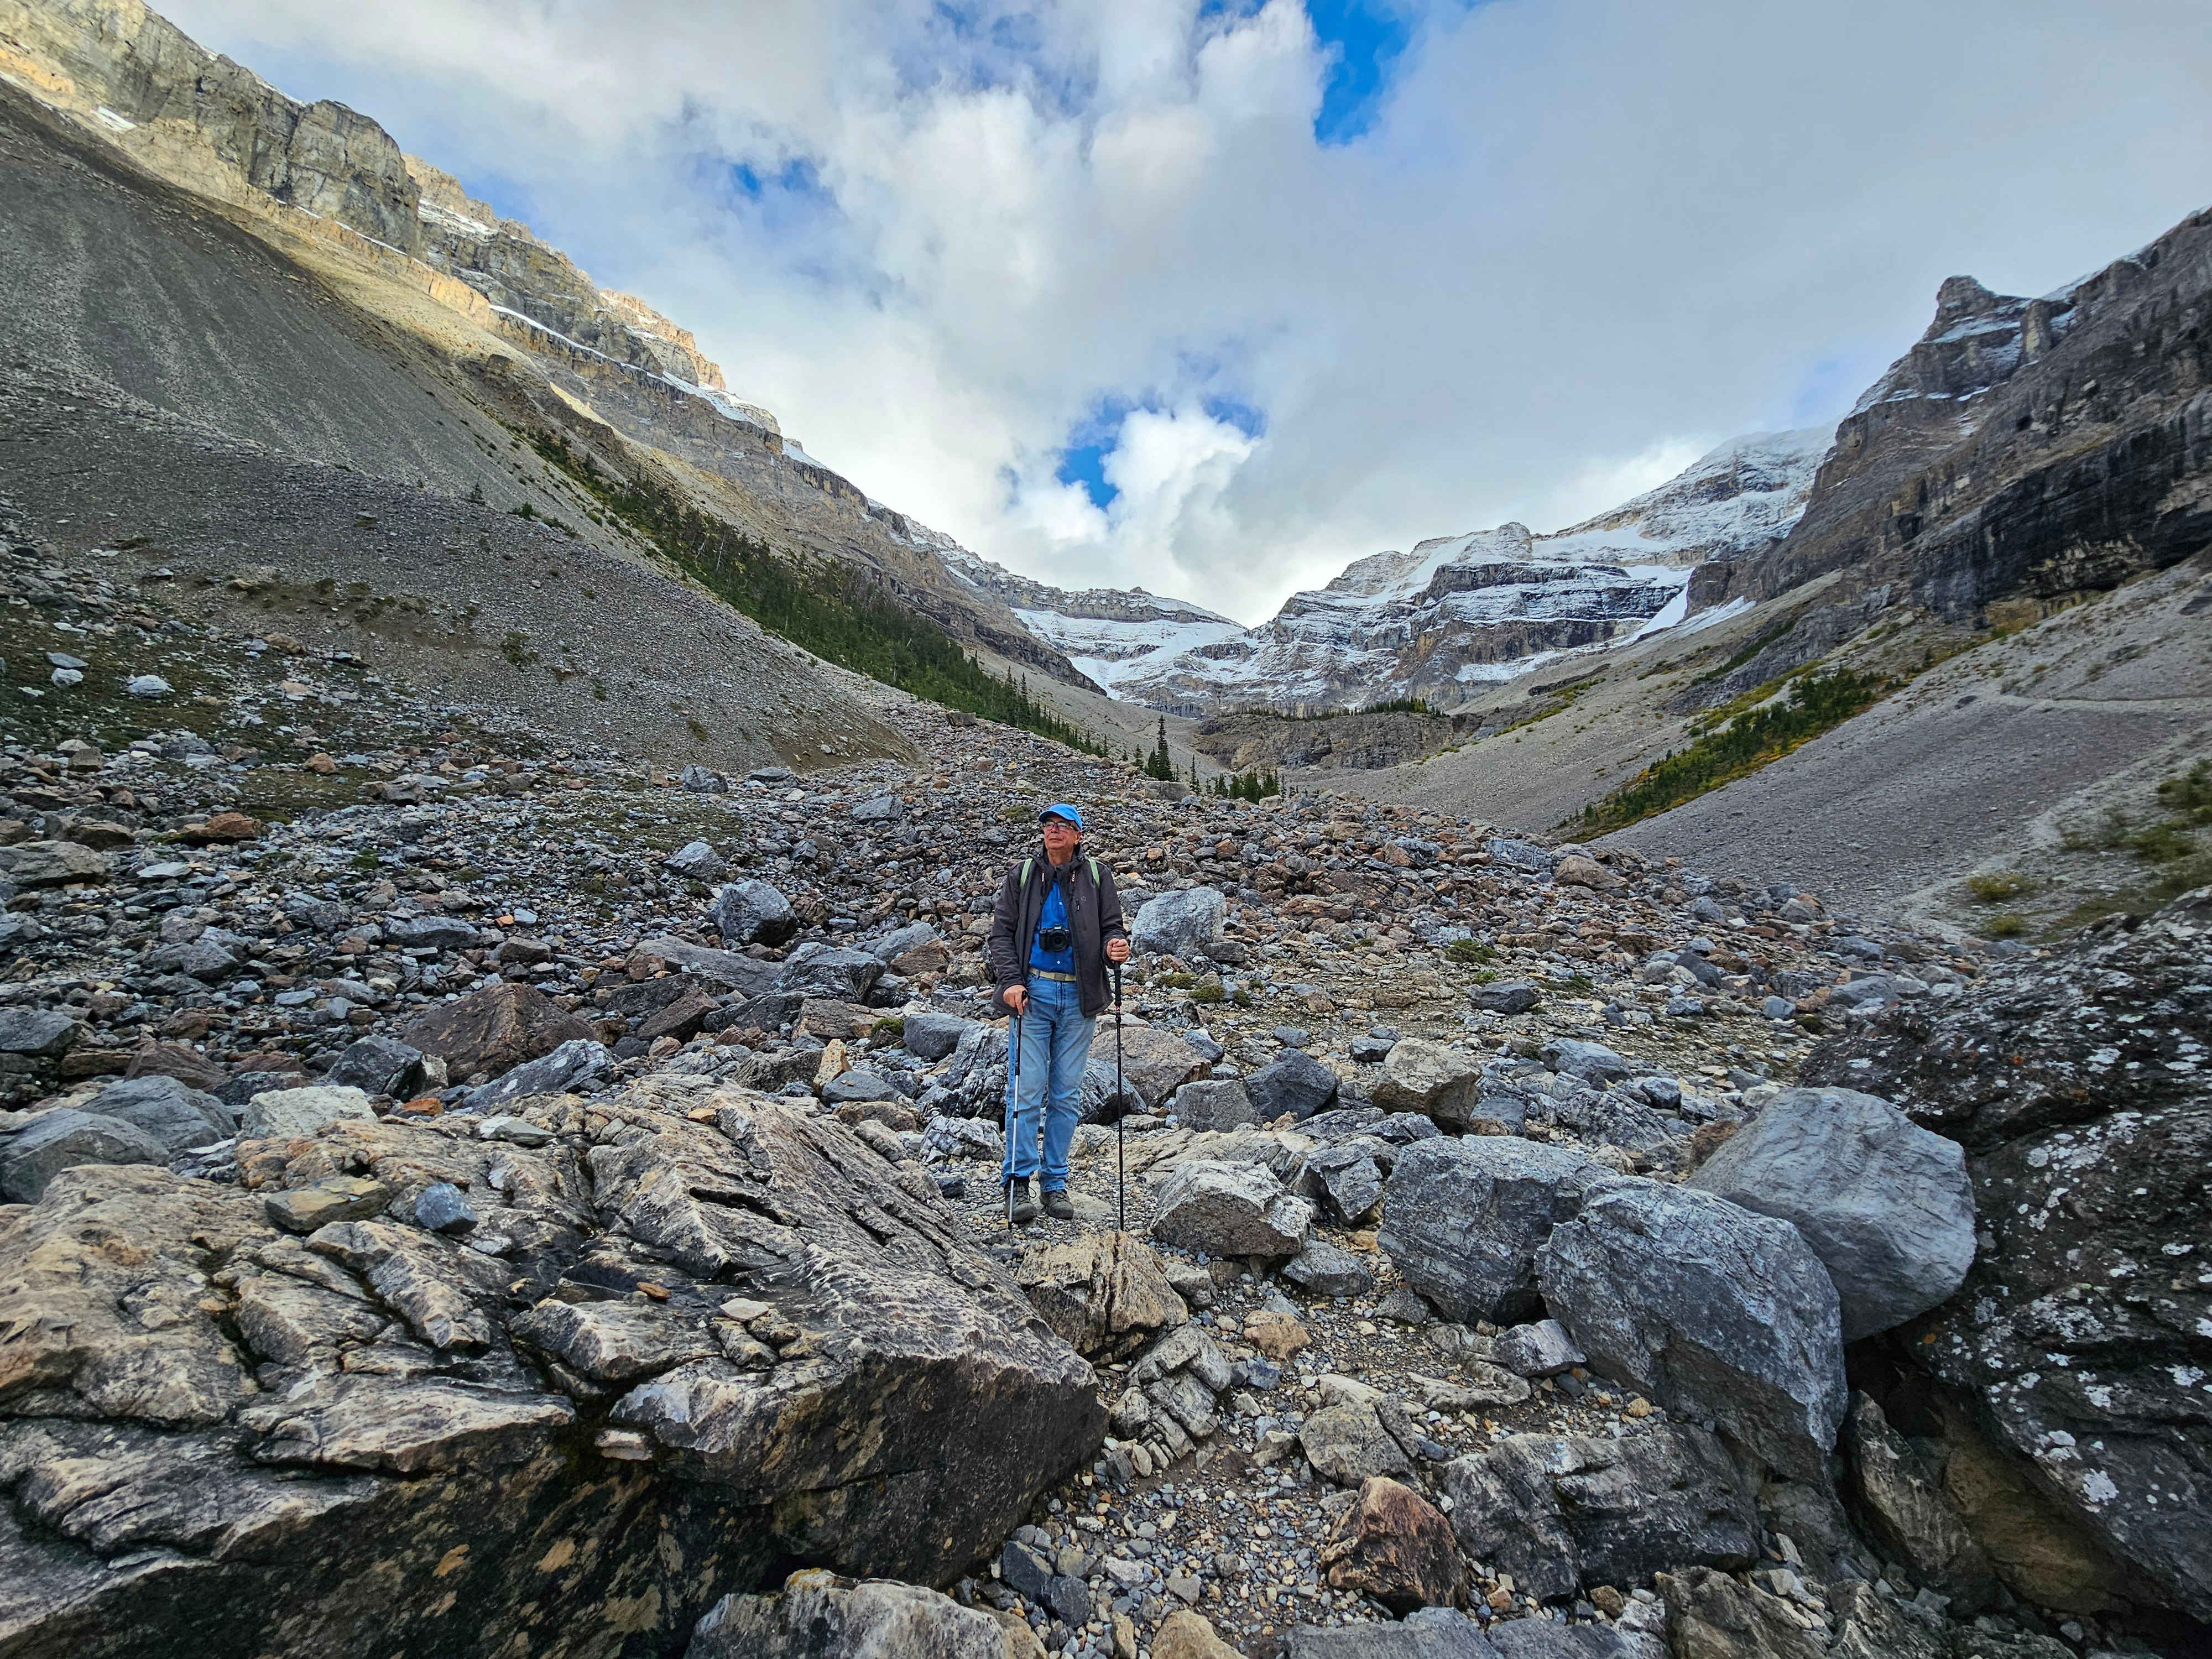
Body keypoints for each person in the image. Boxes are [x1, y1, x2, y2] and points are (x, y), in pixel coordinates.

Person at [984, 802, 1130, 1223]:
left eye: (1063, 826)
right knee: (1026, 1091)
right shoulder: (1024, 876)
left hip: (1080, 996)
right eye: (1048, 825)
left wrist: (1115, 946)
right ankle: (1017, 1182)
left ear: (1078, 835)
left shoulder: (1098, 877)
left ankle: (1054, 1183)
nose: (1053, 831)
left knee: (1065, 1095)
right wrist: (1011, 981)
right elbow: (1002, 934)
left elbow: (1112, 927)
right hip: (1033, 993)